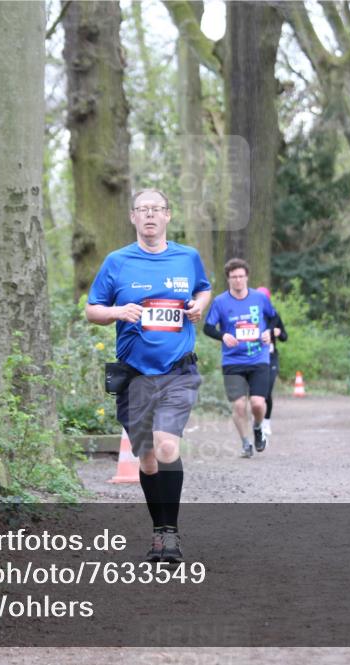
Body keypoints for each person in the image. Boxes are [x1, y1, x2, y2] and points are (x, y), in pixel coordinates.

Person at [85, 188, 211, 563]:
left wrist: (198, 308)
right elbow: (93, 310)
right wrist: (118, 312)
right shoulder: (117, 262)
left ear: (168, 216)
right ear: (133, 217)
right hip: (135, 374)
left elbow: (203, 290)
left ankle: (169, 535)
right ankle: (159, 530)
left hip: (178, 369)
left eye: (157, 209)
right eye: (144, 210)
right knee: (148, 460)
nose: (151, 215)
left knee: (167, 446)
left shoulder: (187, 257)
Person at [203, 258, 278, 458]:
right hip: (233, 360)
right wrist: (223, 336)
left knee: (257, 404)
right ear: (228, 279)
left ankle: (258, 427)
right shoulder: (220, 302)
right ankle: (246, 443)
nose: (238, 280)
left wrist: (268, 332)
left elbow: (274, 317)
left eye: (241, 276)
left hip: (258, 357)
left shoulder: (259, 298)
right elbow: (208, 327)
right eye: (233, 277)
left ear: (247, 277)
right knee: (238, 405)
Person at [255, 286, 287, 436]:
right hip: (254, 357)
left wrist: (278, 333)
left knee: (267, 391)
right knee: (257, 394)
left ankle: (266, 422)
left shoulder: (274, 315)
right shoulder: (251, 315)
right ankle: (258, 421)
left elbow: (285, 337)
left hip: (271, 357)